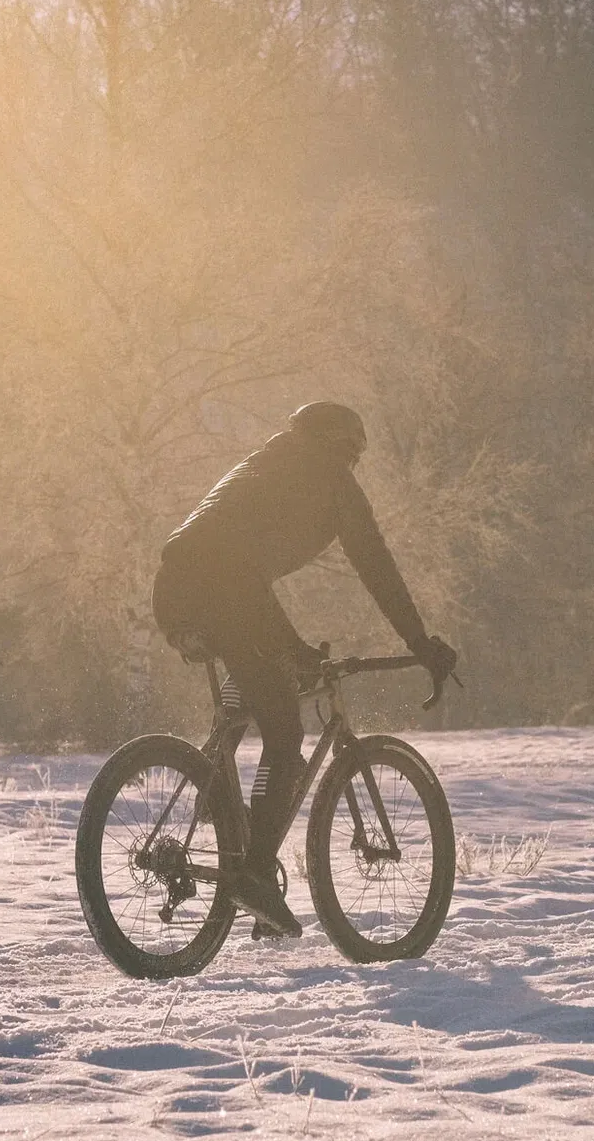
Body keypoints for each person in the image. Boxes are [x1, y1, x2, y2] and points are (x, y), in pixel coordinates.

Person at [152, 402, 458, 938]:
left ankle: (220, 808)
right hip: (229, 585)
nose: (353, 467)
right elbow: (377, 567)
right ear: (342, 448)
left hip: (175, 588)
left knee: (255, 681)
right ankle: (253, 875)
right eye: (353, 456)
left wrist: (289, 647)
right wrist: (421, 643)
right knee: (286, 728)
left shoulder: (267, 459)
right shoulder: (330, 479)